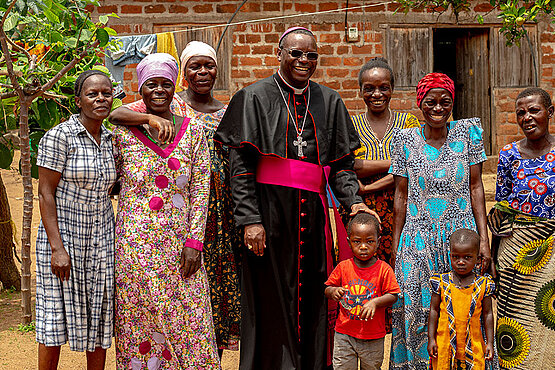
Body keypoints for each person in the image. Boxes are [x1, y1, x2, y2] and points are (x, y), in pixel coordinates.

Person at [214, 27, 375, 369]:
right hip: (269, 215)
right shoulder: (253, 97)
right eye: (296, 53)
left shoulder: (329, 101)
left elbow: (342, 166)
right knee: (269, 299)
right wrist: (250, 220)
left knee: (313, 295)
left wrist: (353, 201)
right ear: (279, 53)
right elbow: (240, 169)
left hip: (313, 218)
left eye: (311, 55)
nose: (304, 60)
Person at [110, 41, 241, 355]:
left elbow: (200, 192)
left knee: (189, 320)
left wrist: (195, 243)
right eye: (151, 85)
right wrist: (147, 120)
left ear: (174, 87)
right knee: (140, 319)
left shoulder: (193, 131)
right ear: (140, 89)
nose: (158, 91)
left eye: (165, 85)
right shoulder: (123, 134)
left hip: (180, 245)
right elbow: (112, 181)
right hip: (134, 247)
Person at [389, 72, 492, 369]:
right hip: (417, 238)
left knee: (462, 311)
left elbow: (475, 187)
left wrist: (483, 241)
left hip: (460, 239)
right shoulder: (404, 139)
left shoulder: (467, 133)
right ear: (420, 103)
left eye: (445, 102)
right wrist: (396, 248)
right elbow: (400, 195)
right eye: (430, 102)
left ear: (452, 104)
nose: (437, 108)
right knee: (416, 311)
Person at [35, 70, 116, 370]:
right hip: (64, 238)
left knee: (100, 314)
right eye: (92, 94)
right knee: (53, 320)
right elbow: (45, 193)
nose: (100, 99)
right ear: (78, 99)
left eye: (105, 93)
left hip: (101, 239)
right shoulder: (59, 136)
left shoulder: (111, 140)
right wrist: (57, 248)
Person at [489, 87, 555, 368]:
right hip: (513, 255)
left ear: (549, 113)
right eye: (520, 113)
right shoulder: (508, 155)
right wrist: (492, 258)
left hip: (551, 255)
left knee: (547, 320)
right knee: (512, 323)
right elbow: (501, 209)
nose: (527, 117)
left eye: (534, 110)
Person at [351, 57, 420, 268]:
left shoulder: (408, 123)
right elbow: (352, 165)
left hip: (402, 210)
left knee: (400, 266)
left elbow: (412, 169)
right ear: (360, 91)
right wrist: (396, 163)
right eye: (369, 88)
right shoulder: (351, 125)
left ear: (392, 89)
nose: (377, 94)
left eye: (384, 88)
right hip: (363, 213)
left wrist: (368, 186)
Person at [325, 213, 400, 370]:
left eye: (370, 241)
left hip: (373, 337)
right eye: (357, 242)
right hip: (344, 335)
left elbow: (393, 295)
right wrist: (333, 291)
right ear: (349, 242)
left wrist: (375, 302)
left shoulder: (384, 269)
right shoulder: (343, 267)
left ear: (378, 242)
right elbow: (327, 288)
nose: (363, 246)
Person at [428, 229, 495, 370]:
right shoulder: (441, 282)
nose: (461, 262)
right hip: (444, 346)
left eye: (467, 257)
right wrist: (431, 339)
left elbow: (488, 314)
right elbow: (434, 311)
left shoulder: (483, 284)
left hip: (473, 346)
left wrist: (489, 342)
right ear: (450, 256)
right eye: (455, 257)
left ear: (477, 259)